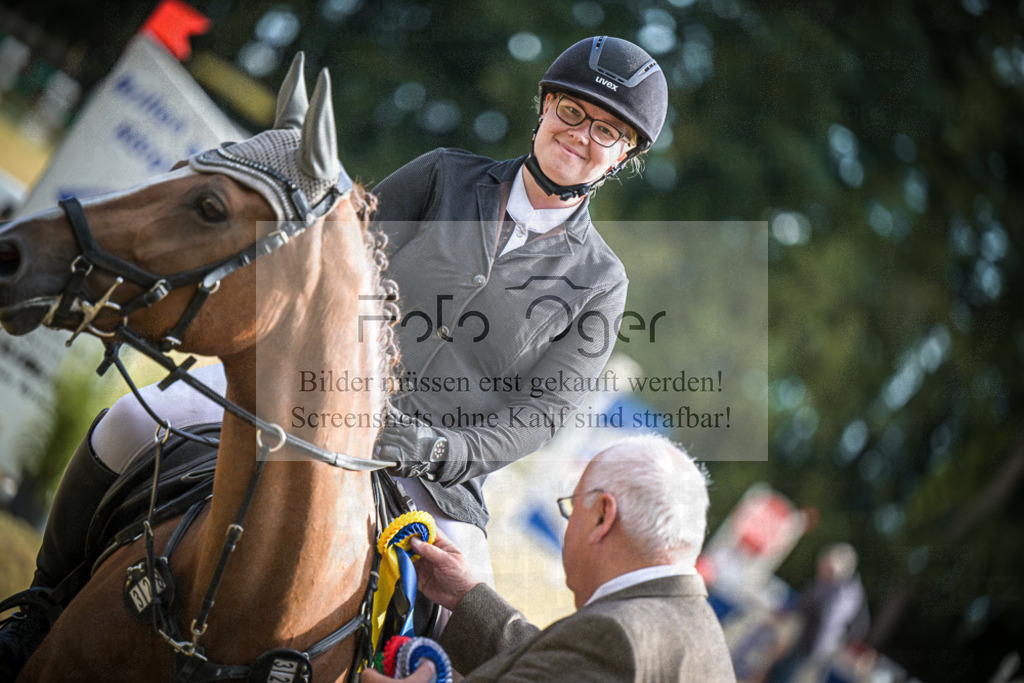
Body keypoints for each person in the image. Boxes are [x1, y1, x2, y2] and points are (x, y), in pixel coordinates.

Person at [0, 36, 669, 674]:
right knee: (128, 423)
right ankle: (38, 608)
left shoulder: (601, 284)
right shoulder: (443, 175)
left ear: (624, 155)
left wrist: (441, 451)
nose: (580, 135)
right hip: (307, 395)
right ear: (544, 106)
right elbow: (332, 258)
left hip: (435, 479)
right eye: (572, 111)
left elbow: (543, 414)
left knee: (460, 624)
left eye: (605, 131)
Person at [364, 434, 735, 682]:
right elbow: (557, 667)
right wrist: (467, 597)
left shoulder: (619, 635)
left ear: (603, 516)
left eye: (572, 508)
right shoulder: (691, 632)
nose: (567, 523)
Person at [765, 543, 870, 683]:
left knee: (782, 674)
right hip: (817, 648)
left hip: (813, 648)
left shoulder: (837, 592)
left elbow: (810, 609)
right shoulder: (850, 591)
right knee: (781, 671)